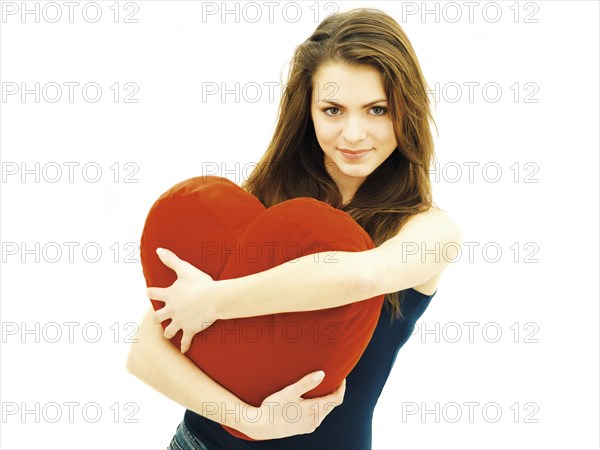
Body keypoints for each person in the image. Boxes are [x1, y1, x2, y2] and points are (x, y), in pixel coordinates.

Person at [126, 7, 462, 450]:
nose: (354, 132)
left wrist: (211, 300)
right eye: (333, 109)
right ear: (307, 110)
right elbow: (144, 352)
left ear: (407, 109)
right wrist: (249, 421)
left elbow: (360, 275)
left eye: (377, 109)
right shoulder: (258, 207)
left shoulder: (428, 231)